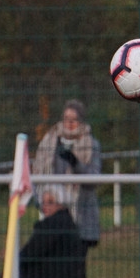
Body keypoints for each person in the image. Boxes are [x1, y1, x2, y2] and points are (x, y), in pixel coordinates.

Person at [33, 99, 102, 250]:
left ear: (81, 120)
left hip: (80, 213)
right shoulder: (49, 140)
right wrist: (39, 197)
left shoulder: (91, 144)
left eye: (74, 119)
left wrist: (75, 163)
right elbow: (37, 171)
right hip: (53, 212)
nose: (69, 123)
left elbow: (94, 179)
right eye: (66, 119)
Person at [18, 184, 87, 278]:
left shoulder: (51, 226)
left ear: (61, 204)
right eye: (43, 202)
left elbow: (29, 253)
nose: (45, 206)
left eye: (50, 202)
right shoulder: (69, 223)